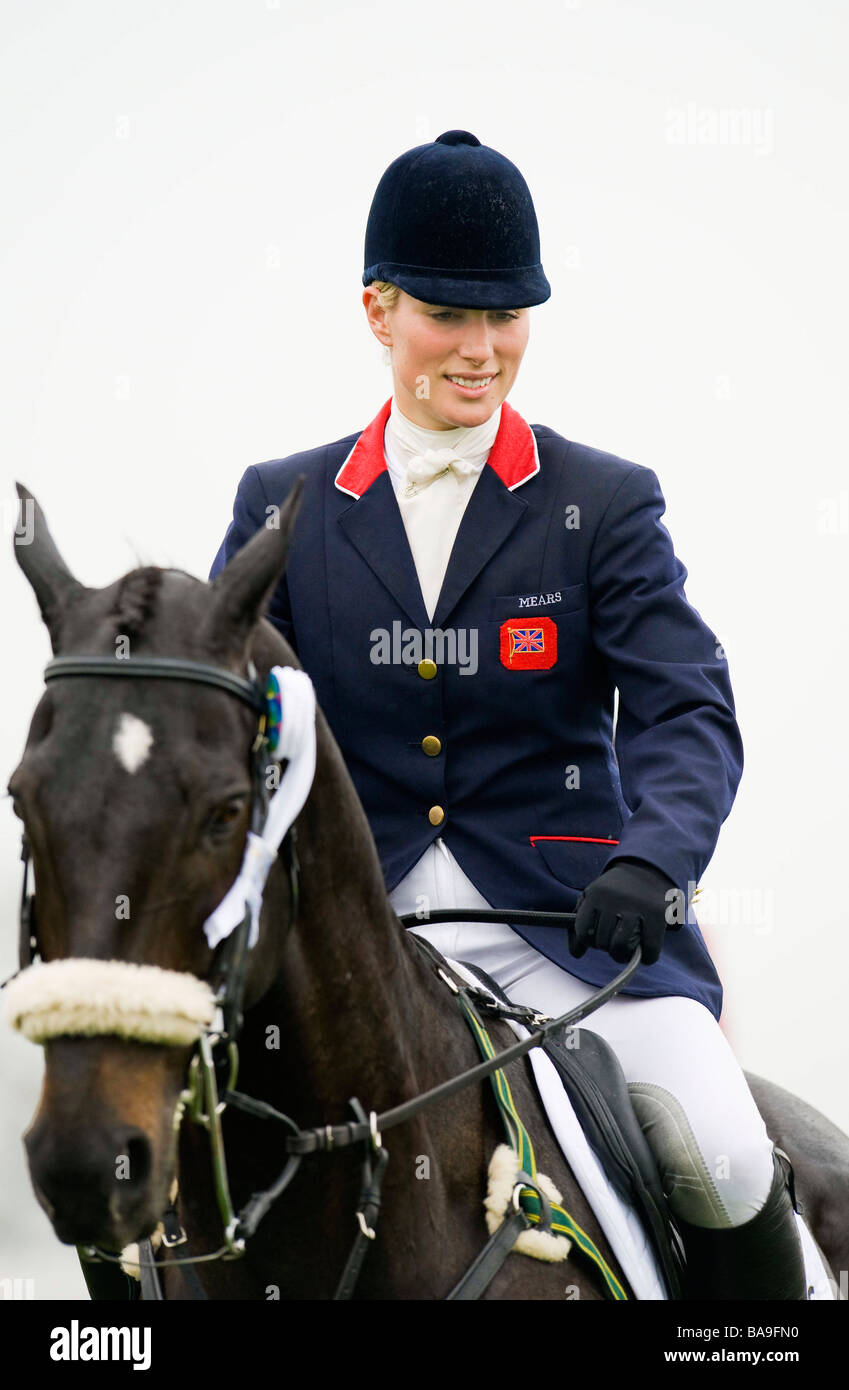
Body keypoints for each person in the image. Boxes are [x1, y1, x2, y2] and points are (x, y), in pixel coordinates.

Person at [209, 129, 808, 1299]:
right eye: (447, 315)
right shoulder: (283, 506)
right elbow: (230, 717)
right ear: (377, 310)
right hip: (345, 943)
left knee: (727, 1148)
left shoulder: (604, 501)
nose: (483, 351)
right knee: (149, 1141)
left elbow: (688, 706)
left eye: (510, 317)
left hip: (567, 938)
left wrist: (654, 856)